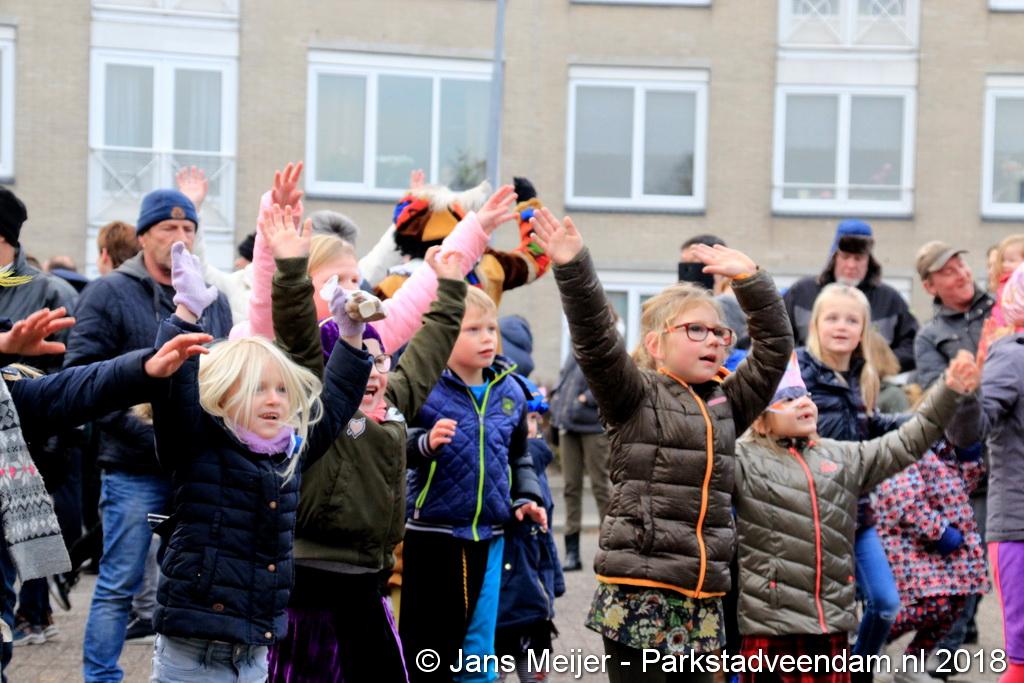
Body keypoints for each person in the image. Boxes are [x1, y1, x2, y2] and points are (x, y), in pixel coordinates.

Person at [531, 207, 792, 682]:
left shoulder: (728, 402)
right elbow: (596, 340)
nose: (712, 340)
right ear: (656, 344)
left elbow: (775, 350)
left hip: (703, 592)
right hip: (640, 589)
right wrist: (573, 267)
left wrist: (752, 281)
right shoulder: (633, 395)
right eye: (695, 329)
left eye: (719, 332)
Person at [147, 237, 372, 682]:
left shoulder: (288, 453)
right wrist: (186, 314)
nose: (274, 400)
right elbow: (173, 387)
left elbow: (336, 405)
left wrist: (350, 336)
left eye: (282, 390)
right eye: (257, 389)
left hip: (254, 649)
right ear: (223, 396)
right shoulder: (197, 444)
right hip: (193, 648)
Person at [262, 203, 468, 681]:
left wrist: (452, 288)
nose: (372, 371)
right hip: (310, 581)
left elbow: (430, 350)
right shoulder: (317, 402)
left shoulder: (392, 405)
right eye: (360, 359)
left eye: (380, 360)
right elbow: (296, 336)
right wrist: (291, 267)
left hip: (368, 580)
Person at [65, 187, 233, 683]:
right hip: (133, 468)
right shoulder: (108, 292)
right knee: (119, 582)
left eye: (188, 228)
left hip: (196, 470)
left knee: (190, 586)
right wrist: (147, 434)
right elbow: (82, 378)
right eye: (168, 227)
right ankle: (101, 678)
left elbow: (225, 370)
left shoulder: (212, 298)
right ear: (142, 236)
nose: (180, 237)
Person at [734, 352, 980, 683]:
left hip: (832, 625)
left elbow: (906, 443)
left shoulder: (843, 457)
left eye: (805, 395)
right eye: (788, 399)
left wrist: (947, 392)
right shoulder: (742, 459)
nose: (804, 402)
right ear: (760, 420)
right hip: (772, 628)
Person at [0, 307, 212, 681]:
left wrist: (142, 369)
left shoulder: (9, 392)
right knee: (116, 585)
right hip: (128, 467)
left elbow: (65, 392)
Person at [400, 285, 547, 682]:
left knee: (479, 643)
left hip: (491, 534)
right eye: (472, 330)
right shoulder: (424, 387)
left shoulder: (511, 391)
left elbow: (519, 456)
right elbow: (393, 445)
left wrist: (526, 497)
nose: (487, 338)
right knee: (431, 645)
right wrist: (424, 443)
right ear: (443, 336)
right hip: (434, 533)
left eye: (491, 329)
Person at [795, 284, 907, 675]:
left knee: (885, 602)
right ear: (815, 324)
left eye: (851, 320)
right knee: (821, 616)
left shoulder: (863, 375)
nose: (841, 326)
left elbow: (867, 425)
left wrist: (920, 422)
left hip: (857, 512)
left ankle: (857, 670)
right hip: (808, 516)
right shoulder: (798, 370)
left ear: (863, 330)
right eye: (832, 318)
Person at [912, 241, 994, 653]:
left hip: (1014, 451)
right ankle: (942, 661)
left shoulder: (1004, 310)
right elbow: (935, 398)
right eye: (947, 271)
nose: (960, 273)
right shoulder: (930, 337)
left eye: (961, 264)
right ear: (930, 286)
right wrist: (962, 380)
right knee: (967, 559)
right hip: (972, 465)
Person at [874, 437, 989, 682]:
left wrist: (970, 459)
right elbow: (903, 498)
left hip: (946, 547)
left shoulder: (948, 450)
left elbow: (965, 487)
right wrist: (939, 530)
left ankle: (912, 664)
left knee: (955, 606)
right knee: (936, 605)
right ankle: (872, 639)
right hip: (910, 543)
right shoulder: (914, 444)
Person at [783, 219, 918, 372]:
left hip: (871, 383)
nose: (851, 265)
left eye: (858, 258)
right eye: (845, 257)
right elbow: (776, 337)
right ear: (834, 257)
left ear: (869, 261)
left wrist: (877, 365)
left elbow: (913, 347)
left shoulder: (890, 300)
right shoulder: (801, 293)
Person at [976, 262, 1024, 683]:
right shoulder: (1011, 357)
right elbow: (972, 428)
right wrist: (962, 397)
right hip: (1019, 529)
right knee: (1021, 665)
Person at [549, 343, 611, 573]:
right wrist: (556, 400)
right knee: (570, 487)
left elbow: (609, 382)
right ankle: (572, 553)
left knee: (600, 486)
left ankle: (611, 546)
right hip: (568, 425)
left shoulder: (603, 345)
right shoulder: (573, 349)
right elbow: (564, 381)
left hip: (593, 428)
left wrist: (585, 398)